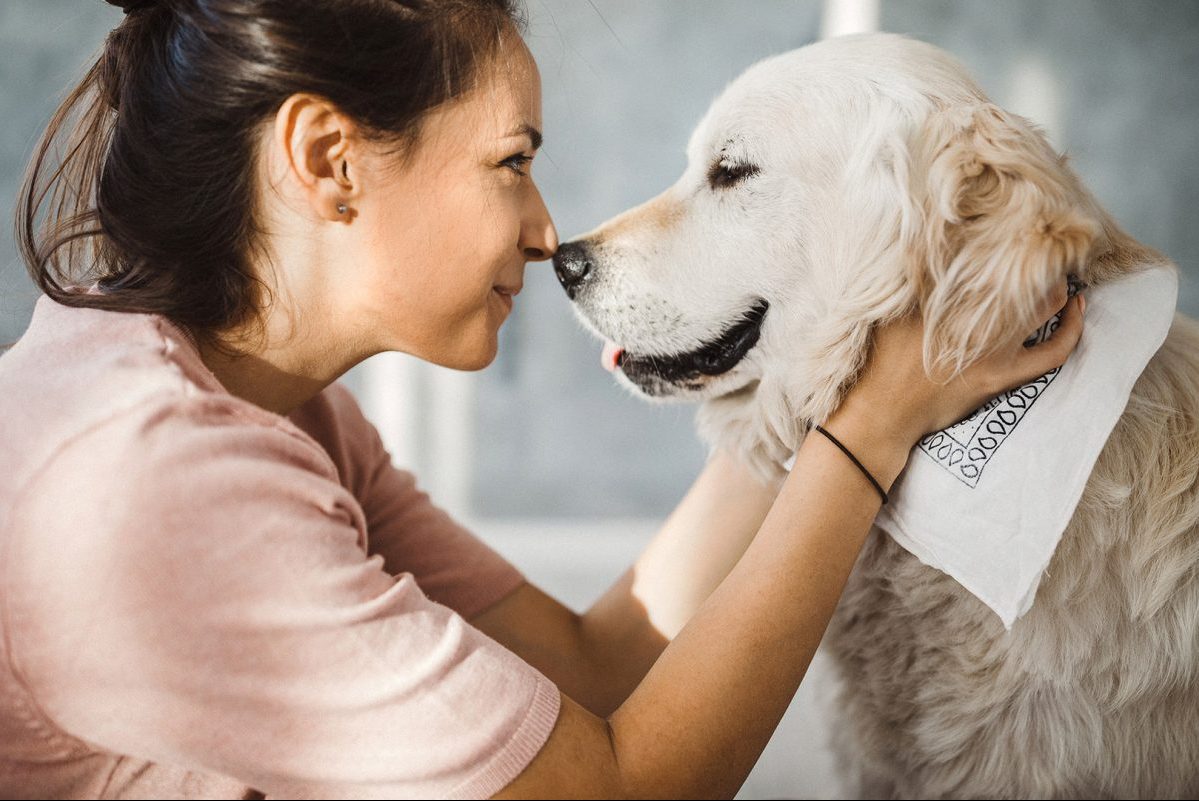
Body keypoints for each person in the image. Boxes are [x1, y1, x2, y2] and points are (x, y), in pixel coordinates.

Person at [0, 0, 1084, 798]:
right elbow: (613, 788)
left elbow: (588, 667)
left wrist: (818, 367)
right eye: (510, 162)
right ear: (329, 160)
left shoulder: (273, 407)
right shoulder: (149, 484)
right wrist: (863, 437)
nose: (546, 229)